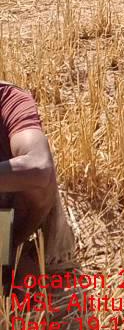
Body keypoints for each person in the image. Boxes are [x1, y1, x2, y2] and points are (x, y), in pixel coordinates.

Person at [0, 80, 75, 283]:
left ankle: (16, 250)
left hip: (11, 217)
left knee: (39, 179)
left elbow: (39, 167)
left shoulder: (9, 99)